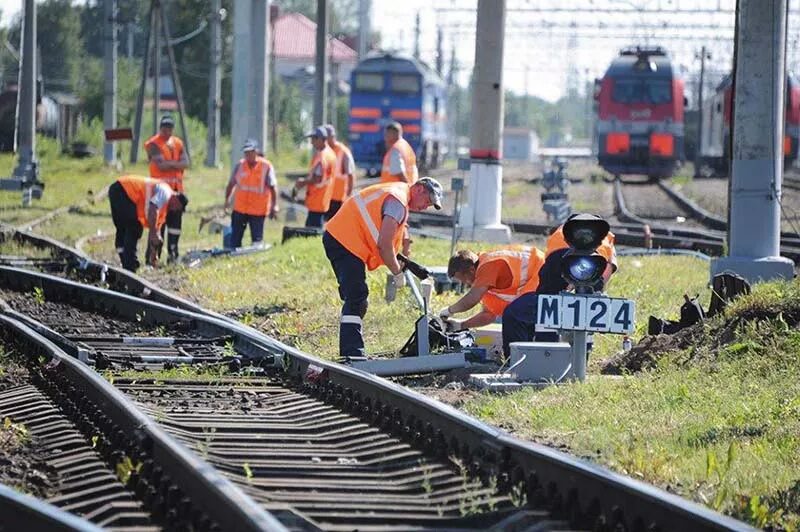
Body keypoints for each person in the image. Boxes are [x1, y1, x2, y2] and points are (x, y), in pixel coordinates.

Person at [323, 177, 444, 360]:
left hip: (346, 239)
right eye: (427, 201)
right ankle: (352, 354)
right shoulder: (397, 201)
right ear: (419, 189)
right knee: (356, 298)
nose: (426, 206)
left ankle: (351, 351)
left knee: (356, 297)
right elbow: (384, 245)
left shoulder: (398, 195)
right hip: (344, 241)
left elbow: (388, 237)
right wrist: (397, 272)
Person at [500, 214, 618, 356]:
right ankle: (574, 353)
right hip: (589, 261)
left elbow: (546, 295)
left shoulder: (563, 234)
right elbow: (609, 267)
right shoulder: (605, 236)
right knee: (560, 306)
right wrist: (595, 287)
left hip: (567, 258)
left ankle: (539, 354)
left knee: (545, 306)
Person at [439, 246, 546, 330]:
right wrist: (461, 325)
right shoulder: (486, 285)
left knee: (513, 315)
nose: (465, 283)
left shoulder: (488, 265)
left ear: (471, 270)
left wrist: (449, 310)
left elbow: (472, 299)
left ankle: (513, 356)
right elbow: (489, 315)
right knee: (515, 314)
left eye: (463, 279)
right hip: (536, 286)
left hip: (544, 273)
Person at [108, 175, 187, 272]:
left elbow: (155, 233)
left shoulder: (164, 210)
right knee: (134, 227)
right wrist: (154, 233)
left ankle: (127, 263)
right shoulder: (166, 192)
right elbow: (153, 207)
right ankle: (130, 266)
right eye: (177, 208)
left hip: (118, 190)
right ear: (176, 198)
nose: (175, 211)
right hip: (124, 189)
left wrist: (154, 254)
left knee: (123, 229)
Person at [144, 115, 189, 262]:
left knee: (175, 226)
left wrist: (169, 163)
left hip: (176, 192)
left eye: (169, 128)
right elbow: (160, 165)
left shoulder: (178, 143)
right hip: (159, 191)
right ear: (160, 127)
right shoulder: (152, 144)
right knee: (157, 225)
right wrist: (176, 163)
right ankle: (151, 258)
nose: (167, 130)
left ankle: (173, 255)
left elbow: (186, 162)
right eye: (164, 127)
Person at [224, 139, 279, 248]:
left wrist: (274, 205)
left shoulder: (266, 166)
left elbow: (273, 187)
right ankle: (233, 256)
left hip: (258, 210)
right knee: (235, 239)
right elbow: (231, 184)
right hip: (240, 209)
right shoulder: (240, 165)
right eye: (246, 152)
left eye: (250, 152)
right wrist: (227, 201)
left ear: (256, 152)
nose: (248, 155)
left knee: (257, 241)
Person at [294, 126, 337, 228]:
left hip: (317, 199)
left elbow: (318, 178)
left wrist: (303, 182)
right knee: (314, 229)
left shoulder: (322, 156)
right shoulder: (331, 154)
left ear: (321, 139)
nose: (312, 142)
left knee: (313, 231)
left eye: (313, 139)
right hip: (322, 199)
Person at [324, 124, 356, 220]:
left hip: (339, 198)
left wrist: (348, 196)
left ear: (332, 137)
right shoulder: (326, 151)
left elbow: (351, 176)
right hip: (327, 196)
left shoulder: (343, 152)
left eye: (326, 138)